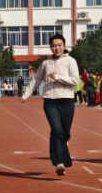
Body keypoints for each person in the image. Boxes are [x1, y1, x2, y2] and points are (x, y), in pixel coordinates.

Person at [21, 33, 80, 176]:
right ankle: (59, 163)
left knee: (64, 133)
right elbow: (36, 80)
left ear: (64, 46)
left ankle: (62, 144)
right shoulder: (46, 63)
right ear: (50, 47)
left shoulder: (71, 61)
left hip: (67, 100)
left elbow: (75, 80)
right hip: (50, 101)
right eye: (54, 46)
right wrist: (25, 95)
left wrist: (58, 77)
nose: (57, 48)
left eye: (59, 45)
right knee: (57, 130)